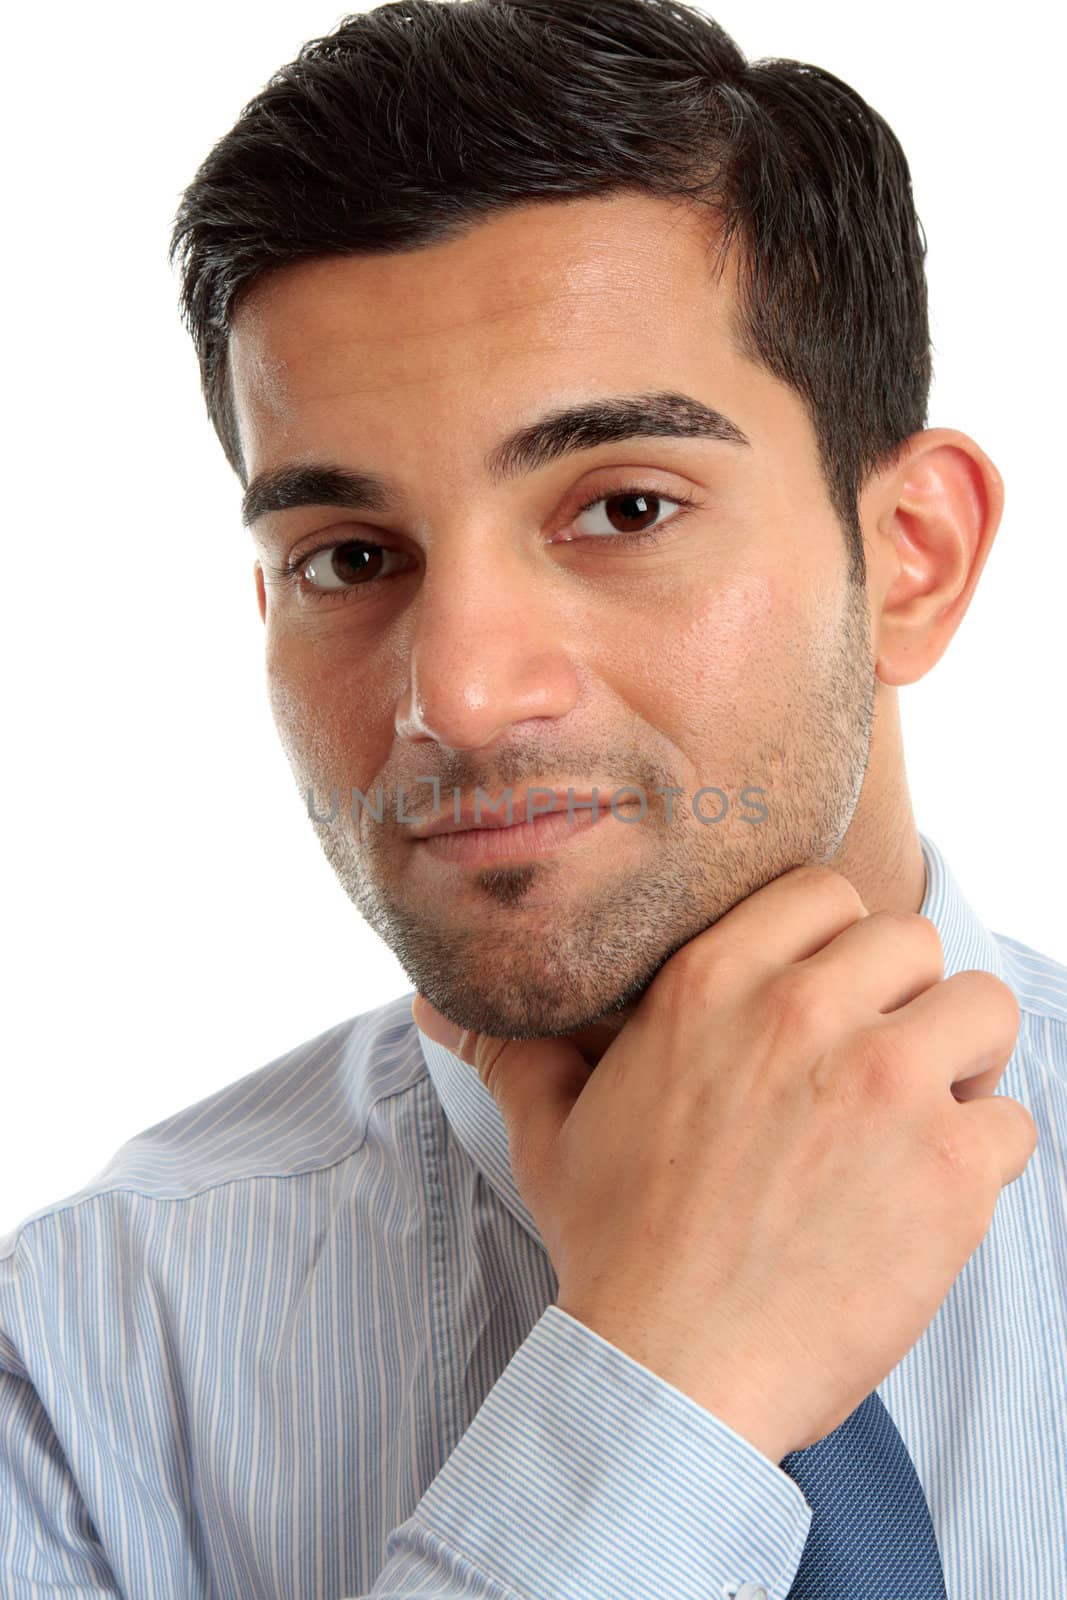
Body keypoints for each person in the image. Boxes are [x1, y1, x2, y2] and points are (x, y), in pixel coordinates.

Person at [1, 0, 1064, 1594]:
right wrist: (665, 1385)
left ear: (913, 557)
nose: (460, 692)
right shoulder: (85, 1363)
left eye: (624, 507)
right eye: (348, 559)